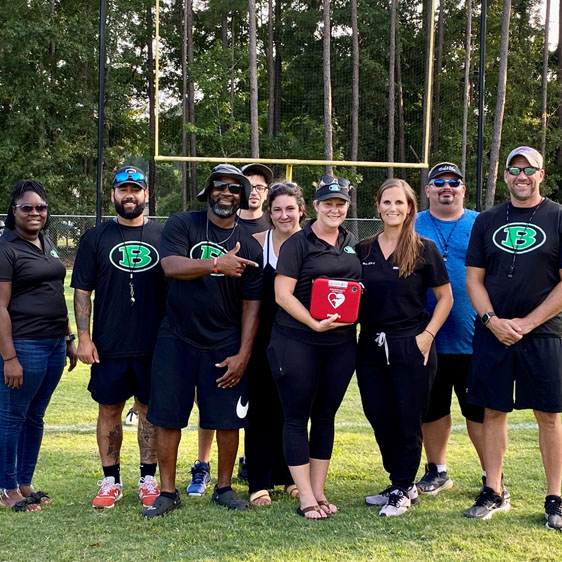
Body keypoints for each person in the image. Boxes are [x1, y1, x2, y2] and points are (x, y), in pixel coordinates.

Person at [143, 163, 262, 518]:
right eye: (219, 186)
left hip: (224, 341)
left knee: (226, 419)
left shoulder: (252, 247)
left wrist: (243, 353)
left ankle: (223, 488)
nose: (226, 193)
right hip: (176, 337)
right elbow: (171, 267)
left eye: (234, 188)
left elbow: (251, 305)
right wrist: (216, 265)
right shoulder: (183, 223)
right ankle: (167, 491)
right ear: (207, 191)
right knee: (167, 416)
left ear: (242, 196)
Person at [464, 146, 562, 530]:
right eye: (514, 169)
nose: (521, 176)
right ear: (504, 175)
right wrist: (492, 321)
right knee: (492, 412)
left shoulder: (557, 216)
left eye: (529, 169)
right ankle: (493, 490)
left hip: (544, 333)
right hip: (494, 333)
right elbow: (473, 278)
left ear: (541, 174)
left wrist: (528, 322)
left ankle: (555, 498)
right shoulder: (487, 220)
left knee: (550, 416)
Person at [72, 165, 166, 510]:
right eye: (123, 189)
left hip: (153, 343)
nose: (130, 195)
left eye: (136, 190)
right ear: (113, 194)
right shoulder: (95, 237)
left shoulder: (164, 235)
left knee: (149, 412)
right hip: (109, 345)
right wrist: (84, 336)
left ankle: (148, 478)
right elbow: (82, 291)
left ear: (146, 195)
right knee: (109, 410)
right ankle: (111, 480)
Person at [357, 178, 453, 517]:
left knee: (407, 417)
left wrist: (426, 336)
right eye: (387, 202)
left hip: (411, 343)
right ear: (378, 207)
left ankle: (401, 486)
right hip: (370, 344)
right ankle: (401, 481)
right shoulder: (363, 249)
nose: (393, 208)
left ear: (410, 207)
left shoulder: (423, 248)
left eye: (400, 202)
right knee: (378, 414)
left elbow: (446, 298)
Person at [271, 176, 361, 520]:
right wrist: (312, 321)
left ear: (347, 207)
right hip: (298, 340)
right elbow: (282, 294)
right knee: (297, 416)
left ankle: (320, 490)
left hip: (339, 344)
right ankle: (305, 495)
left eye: (340, 204)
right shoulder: (298, 242)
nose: (334, 209)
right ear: (317, 206)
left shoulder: (352, 242)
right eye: (328, 203)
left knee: (325, 416)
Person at [188, 163, 273, 495]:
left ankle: (249, 461)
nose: (253, 190)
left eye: (259, 186)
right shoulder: (215, 223)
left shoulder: (275, 222)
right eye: (246, 183)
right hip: (216, 326)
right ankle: (203, 463)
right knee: (209, 397)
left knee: (248, 403)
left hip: (257, 327)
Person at [0, 180, 77, 512]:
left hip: (54, 343)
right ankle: (6, 488)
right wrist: (10, 357)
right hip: (24, 345)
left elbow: (56, 294)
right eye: (27, 207)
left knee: (35, 416)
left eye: (41, 207)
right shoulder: (6, 249)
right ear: (13, 211)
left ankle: (24, 481)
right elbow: (0, 307)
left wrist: (69, 337)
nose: (35, 213)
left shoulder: (46, 242)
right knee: (11, 416)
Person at [415, 163, 485, 495]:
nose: (446, 187)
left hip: (474, 336)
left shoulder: (480, 223)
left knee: (479, 412)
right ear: (427, 190)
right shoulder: (414, 224)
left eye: (453, 182)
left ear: (463, 189)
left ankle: (491, 475)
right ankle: (437, 470)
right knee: (433, 409)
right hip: (427, 336)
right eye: (438, 182)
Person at [245, 181, 306, 506]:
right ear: (269, 213)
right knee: (261, 411)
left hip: (301, 342)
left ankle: (289, 478)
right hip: (262, 343)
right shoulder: (257, 243)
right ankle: (259, 481)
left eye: (290, 209)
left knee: (294, 411)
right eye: (278, 209)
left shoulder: (312, 244)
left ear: (301, 211)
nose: (284, 215)